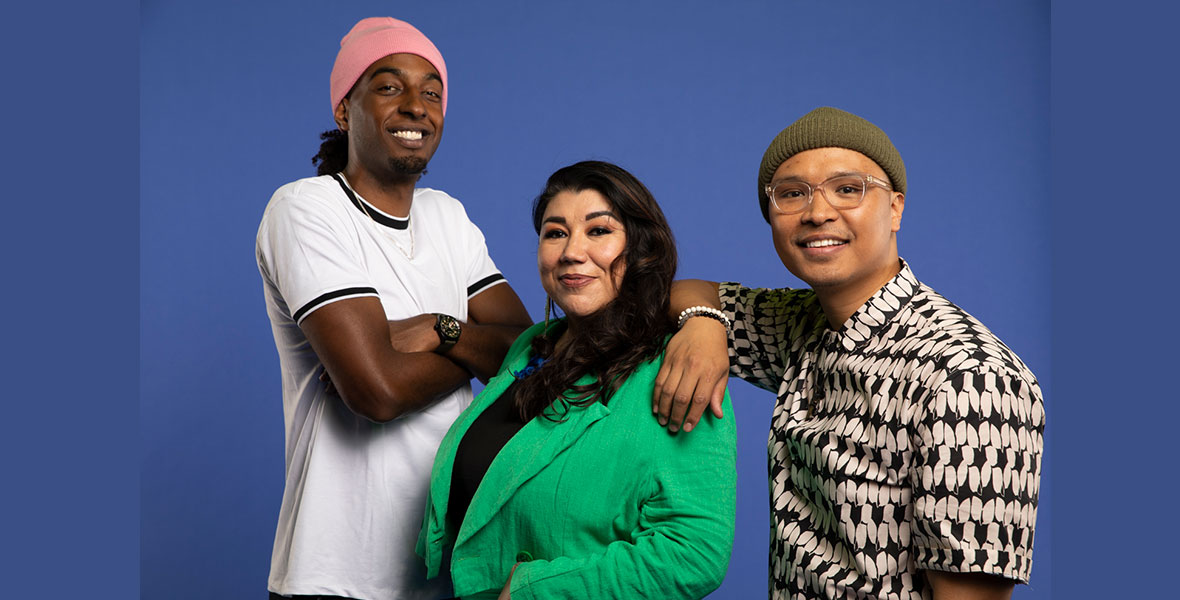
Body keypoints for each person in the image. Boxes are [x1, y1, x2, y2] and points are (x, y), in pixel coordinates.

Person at [654, 107, 1045, 599]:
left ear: (896, 208)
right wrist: (705, 324)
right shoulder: (802, 325)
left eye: (848, 188)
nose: (817, 212)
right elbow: (682, 292)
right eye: (792, 194)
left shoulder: (970, 377)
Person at [255, 17, 532, 600]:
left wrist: (438, 330)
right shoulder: (307, 209)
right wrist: (473, 347)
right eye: (388, 86)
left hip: (443, 569)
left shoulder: (446, 217)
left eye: (432, 92)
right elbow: (375, 391)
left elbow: (529, 351)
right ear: (344, 107)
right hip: (331, 577)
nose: (416, 106)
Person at [417, 161, 737, 599]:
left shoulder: (680, 368)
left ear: (642, 250)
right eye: (555, 232)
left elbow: (693, 554)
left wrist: (532, 591)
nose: (571, 251)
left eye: (599, 231)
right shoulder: (532, 346)